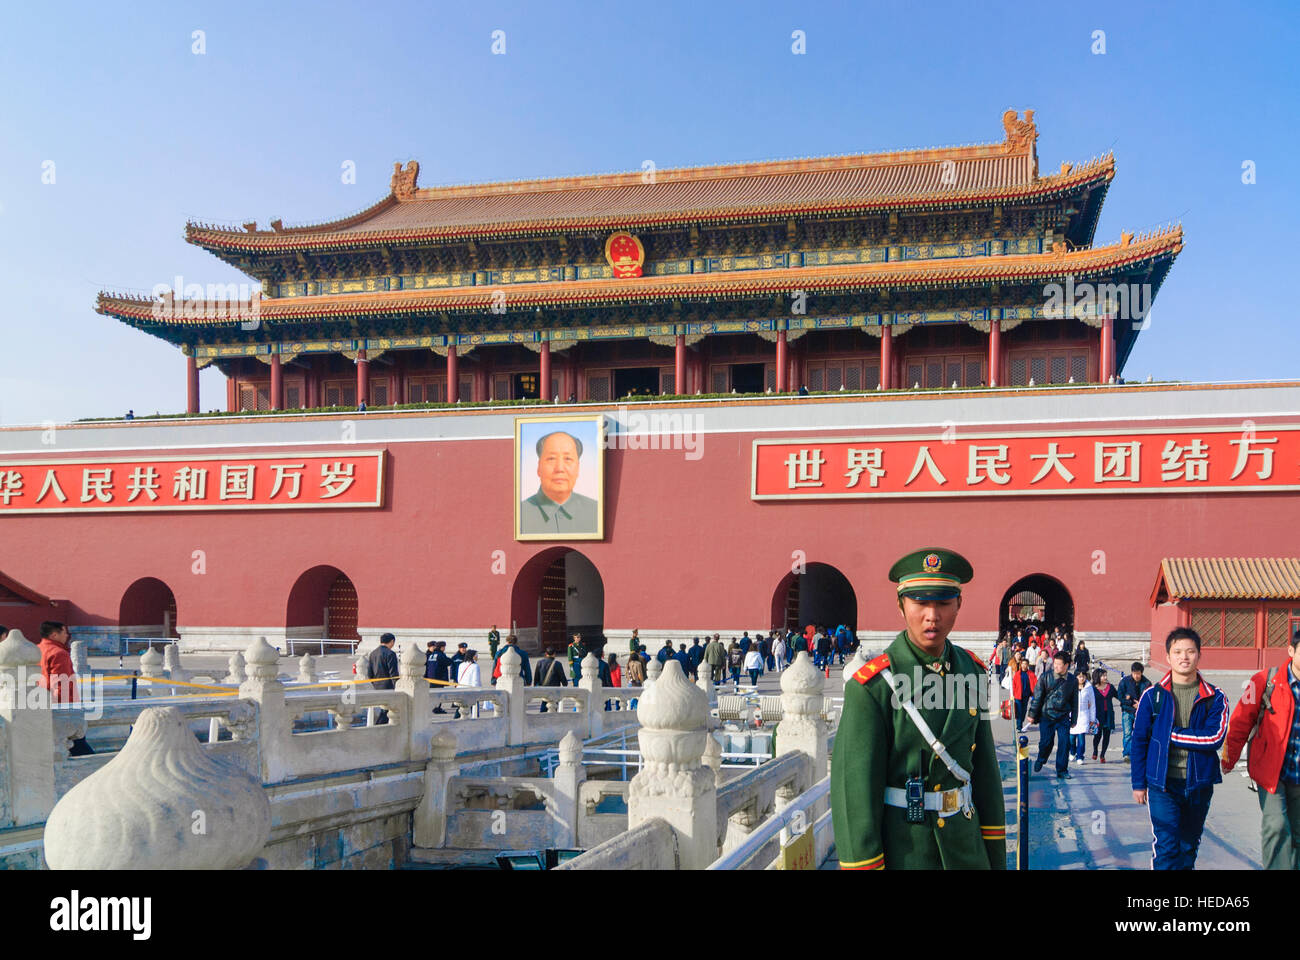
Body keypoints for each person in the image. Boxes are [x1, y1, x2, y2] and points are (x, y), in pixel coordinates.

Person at [830, 548, 1005, 870]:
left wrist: (994, 856)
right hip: (907, 851)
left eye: (943, 603)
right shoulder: (873, 687)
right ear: (901, 606)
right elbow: (853, 794)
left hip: (967, 849)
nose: (932, 616)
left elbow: (986, 773)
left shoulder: (973, 672)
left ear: (959, 605)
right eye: (921, 603)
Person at [1131, 627, 1229, 870]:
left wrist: (1170, 734)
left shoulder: (1215, 697)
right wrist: (1138, 783)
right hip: (1162, 784)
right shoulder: (1152, 696)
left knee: (1188, 847)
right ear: (1168, 657)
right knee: (1166, 847)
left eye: (1190, 652)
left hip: (1198, 784)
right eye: (1177, 652)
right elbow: (1139, 741)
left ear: (1199, 655)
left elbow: (1214, 738)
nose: (1184, 657)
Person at [1221, 627, 1300, 869]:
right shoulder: (1266, 680)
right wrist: (1228, 758)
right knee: (1276, 826)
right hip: (1271, 771)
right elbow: (1240, 721)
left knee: (1297, 834)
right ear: (1291, 651)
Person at [519, 430, 598, 535]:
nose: (559, 468)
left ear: (578, 468)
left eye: (568, 459)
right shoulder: (519, 514)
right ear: (538, 467)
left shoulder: (596, 511)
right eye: (551, 459)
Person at [36, 622, 94, 756]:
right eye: (64, 632)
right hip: (63, 708)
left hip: (40, 704)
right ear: (54, 635)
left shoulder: (36, 649)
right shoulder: (59, 653)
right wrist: (68, 709)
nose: (67, 635)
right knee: (79, 746)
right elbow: (62, 684)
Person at [1024, 652, 1078, 779]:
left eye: (1059, 664)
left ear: (1067, 665)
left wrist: (1074, 719)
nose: (1056, 667)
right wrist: (1031, 714)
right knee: (1046, 742)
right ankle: (1041, 759)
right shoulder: (1045, 677)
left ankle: (1062, 770)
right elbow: (1037, 697)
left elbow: (1075, 701)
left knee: (1065, 743)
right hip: (1046, 715)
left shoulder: (1072, 681)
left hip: (1063, 717)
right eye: (1055, 664)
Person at [1117, 662, 1151, 763]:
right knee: (1127, 733)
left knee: (1138, 734)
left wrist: (1140, 704)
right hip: (1127, 711)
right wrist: (1131, 703)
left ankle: (1138, 753)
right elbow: (1120, 696)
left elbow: (1149, 698)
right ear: (1131, 672)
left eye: (1138, 673)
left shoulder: (1147, 683)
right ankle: (1127, 754)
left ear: (1142, 673)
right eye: (1134, 673)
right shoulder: (1125, 682)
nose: (1136, 676)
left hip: (1140, 713)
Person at [367, 633, 399, 725]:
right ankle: (379, 725)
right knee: (386, 710)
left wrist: (374, 683)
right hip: (388, 685)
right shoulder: (390, 654)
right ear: (392, 641)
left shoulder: (373, 653)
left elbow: (369, 673)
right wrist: (396, 685)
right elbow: (393, 673)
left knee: (383, 709)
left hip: (376, 685)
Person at [1092, 668, 1119, 762]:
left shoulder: (1110, 687)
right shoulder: (1092, 688)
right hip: (1098, 715)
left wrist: (1128, 700)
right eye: (1103, 675)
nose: (1105, 677)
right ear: (1098, 677)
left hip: (1108, 715)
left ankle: (1102, 755)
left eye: (1106, 675)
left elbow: (1118, 696)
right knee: (1097, 735)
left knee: (1106, 735)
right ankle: (1095, 750)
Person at [1070, 670, 1096, 765]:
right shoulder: (1071, 686)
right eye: (1079, 676)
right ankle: (1072, 752)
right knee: (1071, 738)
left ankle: (1080, 756)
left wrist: (1092, 719)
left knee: (1081, 738)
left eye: (1083, 676)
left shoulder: (1089, 688)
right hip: (1072, 715)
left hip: (1084, 715)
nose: (1081, 678)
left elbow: (1092, 703)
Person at [1009, 653, 1037, 732]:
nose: (1024, 665)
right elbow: (1013, 685)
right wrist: (1012, 695)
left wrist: (1035, 694)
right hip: (1018, 695)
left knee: (1024, 711)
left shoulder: (1031, 674)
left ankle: (1020, 723)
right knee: (1019, 711)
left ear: (1028, 665)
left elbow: (1035, 684)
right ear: (1021, 665)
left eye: (1026, 664)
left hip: (1026, 695)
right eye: (1023, 664)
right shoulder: (1017, 674)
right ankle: (1019, 727)